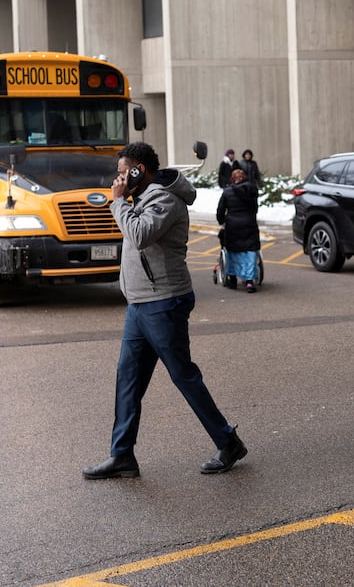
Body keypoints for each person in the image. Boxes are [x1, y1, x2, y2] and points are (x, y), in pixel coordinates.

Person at [82, 141, 247, 479]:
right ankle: (122, 455)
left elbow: (140, 235)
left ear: (138, 170)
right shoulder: (140, 198)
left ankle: (228, 442)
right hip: (140, 305)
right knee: (127, 380)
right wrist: (123, 202)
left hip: (164, 303)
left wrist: (117, 203)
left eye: (122, 172)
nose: (118, 179)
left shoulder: (164, 199)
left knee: (183, 376)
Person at [217, 167, 261, 293]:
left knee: (233, 250)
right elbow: (255, 208)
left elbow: (220, 210)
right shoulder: (252, 189)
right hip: (249, 223)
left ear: (232, 179)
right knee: (250, 251)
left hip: (233, 224)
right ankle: (249, 281)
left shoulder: (227, 192)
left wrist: (222, 221)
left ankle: (232, 278)